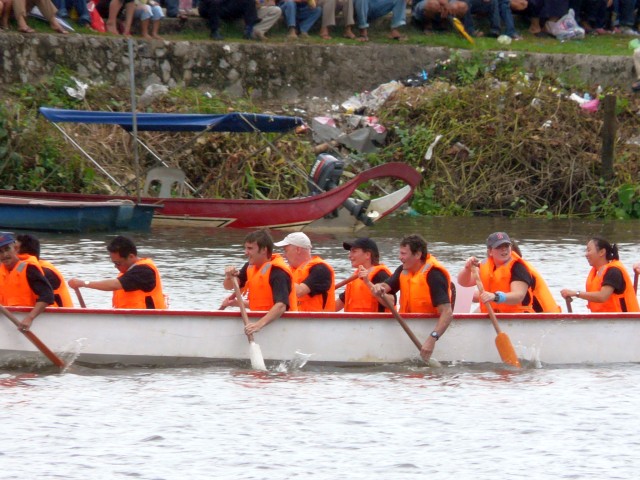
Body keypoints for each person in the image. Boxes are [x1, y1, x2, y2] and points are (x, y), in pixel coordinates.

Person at [371, 234, 453, 363]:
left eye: (404, 254)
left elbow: (447, 312)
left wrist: (432, 339)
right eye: (400, 253)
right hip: (408, 328)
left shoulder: (434, 274)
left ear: (417, 255)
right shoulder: (403, 270)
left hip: (429, 331)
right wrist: (377, 287)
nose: (400, 257)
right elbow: (385, 286)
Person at [458, 232, 560, 313]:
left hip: (531, 318)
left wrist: (495, 297)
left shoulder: (518, 267)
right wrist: (467, 269)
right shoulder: (485, 265)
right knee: (479, 311)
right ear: (490, 251)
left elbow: (518, 296)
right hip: (500, 314)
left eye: (506, 246)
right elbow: (464, 283)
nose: (504, 250)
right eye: (499, 247)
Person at [223, 229, 297, 335]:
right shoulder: (249, 266)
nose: (245, 252)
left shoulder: (278, 272)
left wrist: (258, 325)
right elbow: (228, 287)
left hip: (284, 326)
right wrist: (229, 276)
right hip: (261, 322)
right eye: (245, 248)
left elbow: (281, 306)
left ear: (263, 250)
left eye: (250, 248)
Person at [68, 235, 167, 309]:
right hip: (129, 321)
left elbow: (114, 284)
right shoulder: (128, 272)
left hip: (147, 321)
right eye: (114, 263)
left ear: (131, 257)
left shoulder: (144, 271)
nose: (116, 267)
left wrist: (83, 283)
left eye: (118, 263)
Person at [561, 236, 639, 312]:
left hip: (624, 321)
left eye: (589, 250)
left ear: (602, 252)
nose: (586, 254)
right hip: (605, 321)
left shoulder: (613, 271)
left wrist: (576, 293)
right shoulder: (596, 272)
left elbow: (602, 297)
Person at [0, 232, 55, 331]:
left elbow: (47, 295)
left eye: (7, 249)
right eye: (0, 252)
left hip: (27, 323)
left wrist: (30, 318)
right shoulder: (1, 271)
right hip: (7, 323)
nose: (5, 255)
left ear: (16, 249)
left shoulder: (29, 269)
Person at [274, 232, 336, 311]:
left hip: (317, 321)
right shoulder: (290, 270)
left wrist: (278, 281)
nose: (284, 255)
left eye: (286, 251)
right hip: (296, 320)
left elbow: (300, 291)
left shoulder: (320, 269)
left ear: (298, 249)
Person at [15, 234, 73, 308]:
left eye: (15, 248)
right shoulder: (22, 268)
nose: (10, 252)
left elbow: (46, 296)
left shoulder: (41, 271)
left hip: (58, 316)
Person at [335, 237, 392, 312]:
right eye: (350, 252)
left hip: (375, 323)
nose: (349, 255)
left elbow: (391, 303)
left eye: (354, 251)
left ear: (368, 255)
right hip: (354, 322)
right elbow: (337, 305)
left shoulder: (381, 274)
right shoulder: (355, 277)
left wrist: (368, 283)